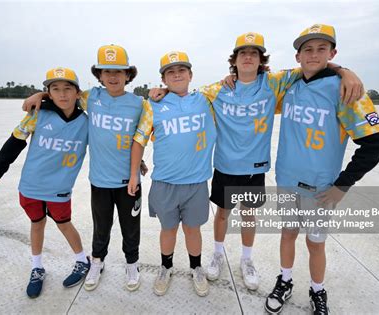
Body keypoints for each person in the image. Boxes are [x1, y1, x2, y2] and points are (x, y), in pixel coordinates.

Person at [149, 32, 364, 290]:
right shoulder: (217, 89)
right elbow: (182, 93)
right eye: (243, 53)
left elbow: (312, 65)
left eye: (254, 53)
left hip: (254, 168)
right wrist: (160, 90)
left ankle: (247, 260)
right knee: (222, 214)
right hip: (225, 165)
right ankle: (217, 254)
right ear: (235, 60)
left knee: (248, 215)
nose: (248, 57)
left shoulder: (273, 83)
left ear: (261, 60)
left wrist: (344, 71)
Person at [264, 24, 379, 314]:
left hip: (321, 187)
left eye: (321, 49)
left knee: (316, 243)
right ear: (297, 56)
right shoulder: (289, 82)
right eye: (307, 49)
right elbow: (251, 77)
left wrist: (342, 185)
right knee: (288, 233)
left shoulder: (345, 89)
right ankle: (285, 280)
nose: (313, 54)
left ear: (332, 53)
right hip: (287, 180)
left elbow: (374, 145)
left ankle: (318, 290)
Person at [22, 45, 147, 292]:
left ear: (128, 75)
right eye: (107, 71)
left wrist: (136, 168)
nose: (113, 77)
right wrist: (40, 95)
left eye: (119, 72)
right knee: (101, 227)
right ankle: (97, 263)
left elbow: (139, 139)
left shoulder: (139, 104)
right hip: (100, 180)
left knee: (130, 228)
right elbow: (63, 93)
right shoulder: (92, 97)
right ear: (99, 75)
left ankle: (132, 264)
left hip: (129, 181)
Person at [0, 67, 90, 298]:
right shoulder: (38, 114)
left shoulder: (87, 122)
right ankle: (37, 267)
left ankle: (81, 260)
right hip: (31, 185)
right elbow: (16, 140)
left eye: (68, 89)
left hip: (59, 188)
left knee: (64, 224)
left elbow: (106, 146)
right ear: (49, 93)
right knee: (37, 223)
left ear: (77, 92)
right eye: (55, 89)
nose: (62, 94)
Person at [128, 51, 217, 297]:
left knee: (192, 229)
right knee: (168, 229)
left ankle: (196, 267)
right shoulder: (153, 106)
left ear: (190, 75)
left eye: (181, 70)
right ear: (163, 79)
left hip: (196, 182)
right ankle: (165, 267)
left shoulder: (206, 99)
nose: (177, 75)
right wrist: (134, 173)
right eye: (170, 72)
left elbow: (237, 82)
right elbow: (139, 140)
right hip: (165, 182)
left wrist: (336, 70)